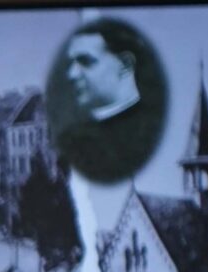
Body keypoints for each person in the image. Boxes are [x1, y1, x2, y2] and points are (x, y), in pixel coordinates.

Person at [50, 18, 167, 185]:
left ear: (125, 65)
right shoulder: (74, 137)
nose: (72, 74)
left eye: (86, 61)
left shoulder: (149, 129)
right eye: (72, 63)